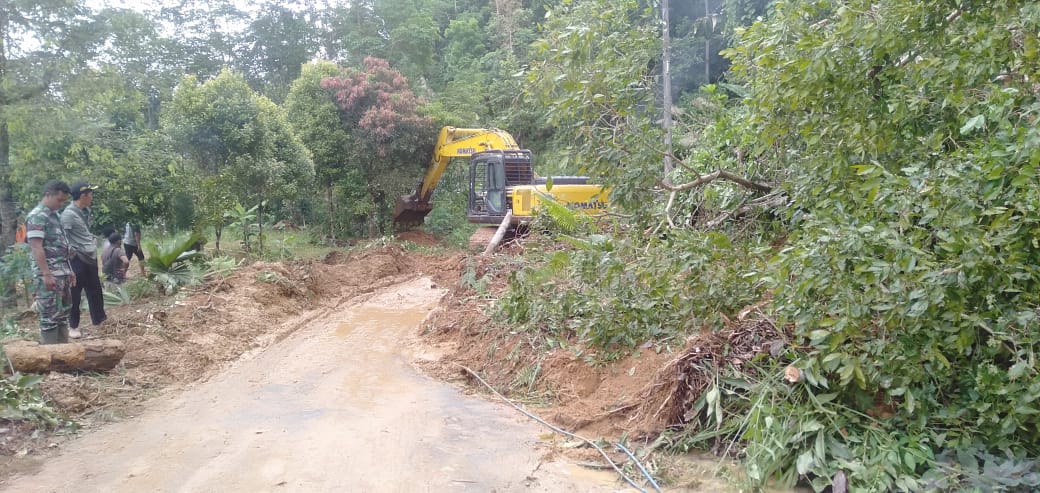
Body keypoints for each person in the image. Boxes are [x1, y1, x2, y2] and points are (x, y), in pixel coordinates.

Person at [26, 180, 77, 344]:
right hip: (48, 275)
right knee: (49, 315)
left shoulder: (55, 215)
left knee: (63, 314)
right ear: (48, 194)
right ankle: (51, 358)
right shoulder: (37, 216)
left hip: (62, 272)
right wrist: (46, 274)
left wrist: (70, 270)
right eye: (59, 200)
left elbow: (63, 246)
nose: (61, 204)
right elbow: (36, 247)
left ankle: (65, 355)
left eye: (63, 201)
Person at [60, 180, 107, 339]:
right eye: (90, 193)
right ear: (83, 195)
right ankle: (73, 326)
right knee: (75, 293)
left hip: (90, 257)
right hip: (77, 259)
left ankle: (100, 321)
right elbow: (63, 237)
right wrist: (72, 253)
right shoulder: (68, 214)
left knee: (95, 290)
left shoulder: (86, 211)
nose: (92, 196)